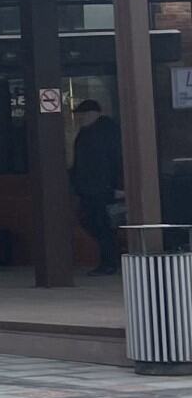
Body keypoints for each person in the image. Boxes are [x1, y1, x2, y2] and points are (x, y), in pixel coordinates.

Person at [69, 99, 124, 275]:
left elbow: (116, 161)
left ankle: (109, 263)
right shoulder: (86, 133)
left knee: (102, 226)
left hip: (103, 189)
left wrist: (118, 187)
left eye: (82, 115)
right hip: (90, 189)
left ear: (92, 114)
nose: (80, 119)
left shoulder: (107, 132)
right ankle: (110, 260)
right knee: (95, 223)